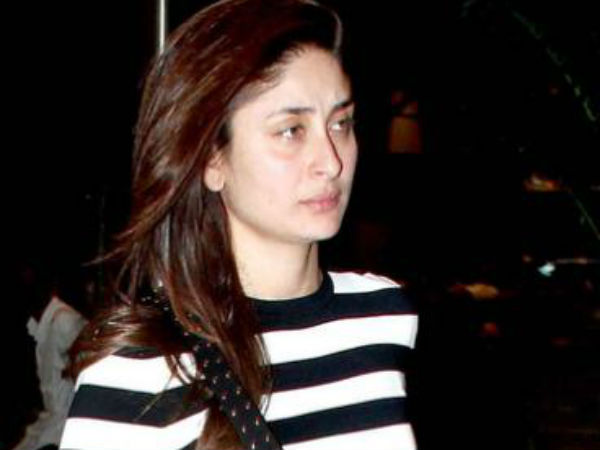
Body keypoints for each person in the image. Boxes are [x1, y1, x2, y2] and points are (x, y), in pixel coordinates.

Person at [59, 0, 418, 449]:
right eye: (291, 130)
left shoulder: (385, 314)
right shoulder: (139, 371)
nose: (330, 161)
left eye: (340, 123)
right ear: (212, 159)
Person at [13, 265, 87, 450]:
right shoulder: (36, 325)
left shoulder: (64, 320)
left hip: (66, 425)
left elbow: (91, 362)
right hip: (49, 421)